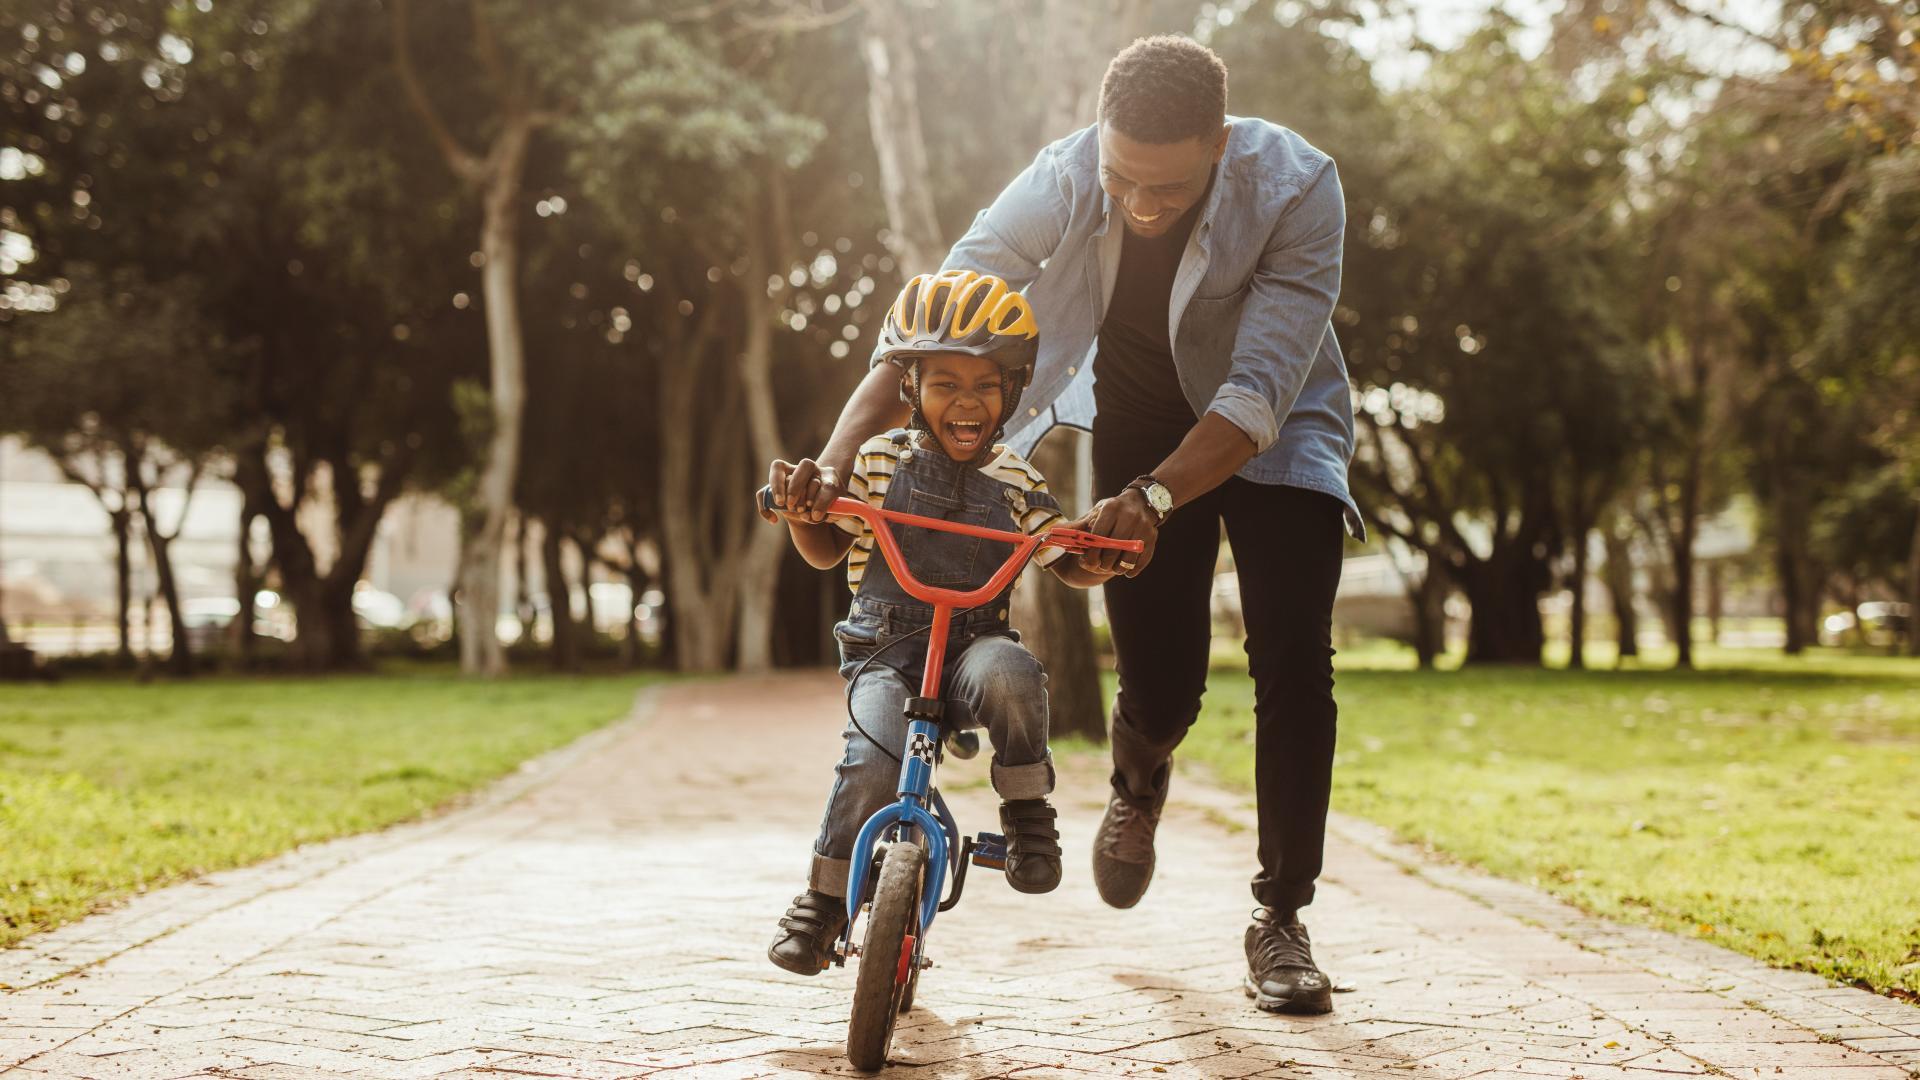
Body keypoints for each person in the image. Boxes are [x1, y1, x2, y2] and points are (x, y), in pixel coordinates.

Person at [776, 35, 1362, 1014]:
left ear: (1219, 143)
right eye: (1124, 178)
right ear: (1101, 139)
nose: (1141, 204)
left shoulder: (1300, 188)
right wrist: (835, 461)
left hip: (1278, 426)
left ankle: (1282, 917)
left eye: (1167, 190)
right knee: (1165, 684)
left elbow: (1259, 388)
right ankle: (1140, 779)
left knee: (1294, 656)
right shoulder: (1063, 175)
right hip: (1139, 415)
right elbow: (934, 323)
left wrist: (1159, 499)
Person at [763, 270, 1113, 977]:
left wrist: (1097, 556)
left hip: (972, 650)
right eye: (946, 382)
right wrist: (804, 514)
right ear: (910, 389)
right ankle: (824, 900)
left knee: (1014, 676)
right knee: (873, 758)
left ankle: (1025, 813)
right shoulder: (874, 460)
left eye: (987, 385)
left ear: (1012, 392)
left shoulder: (1016, 479)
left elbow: (1061, 555)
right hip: (885, 653)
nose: (967, 401)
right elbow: (829, 546)